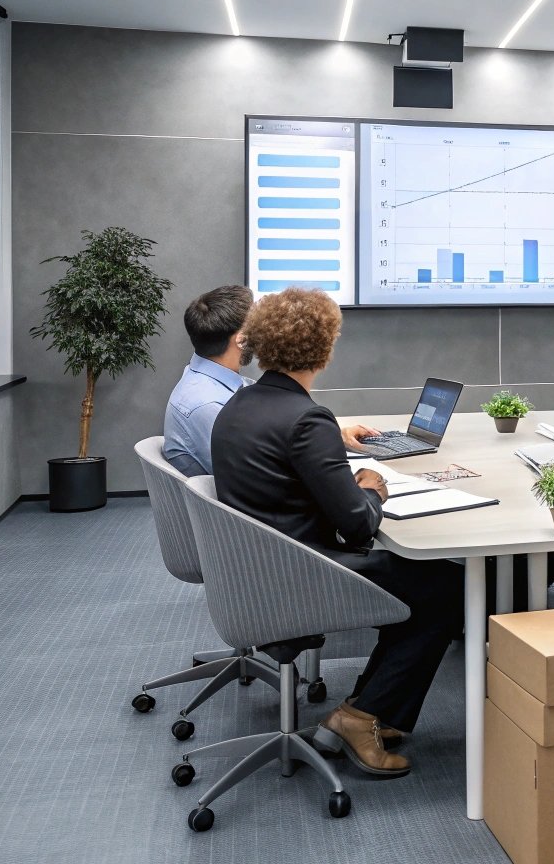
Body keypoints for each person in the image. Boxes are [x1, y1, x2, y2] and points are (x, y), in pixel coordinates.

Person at [209, 287, 462, 778]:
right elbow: (359, 524)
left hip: (255, 566)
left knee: (418, 581)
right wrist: (371, 488)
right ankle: (361, 717)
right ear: (323, 350)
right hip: (304, 572)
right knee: (446, 588)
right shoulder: (307, 418)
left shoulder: (239, 405)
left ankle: (371, 708)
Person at [162, 284, 378, 477]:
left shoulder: (207, 381)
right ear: (242, 340)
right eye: (258, 325)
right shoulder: (210, 406)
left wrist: (335, 436)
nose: (266, 331)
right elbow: (260, 473)